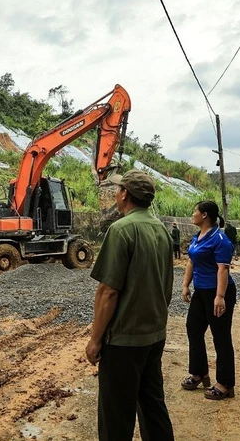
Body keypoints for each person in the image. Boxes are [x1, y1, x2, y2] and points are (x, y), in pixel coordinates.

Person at [87, 169, 174, 441]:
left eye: (117, 189)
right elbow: (166, 284)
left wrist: (95, 340)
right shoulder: (161, 229)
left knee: (116, 416)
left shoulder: (122, 229)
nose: (115, 194)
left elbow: (108, 292)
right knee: (152, 405)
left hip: (124, 341)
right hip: (154, 335)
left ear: (125, 194)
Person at [180, 200, 237, 401]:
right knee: (193, 329)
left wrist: (220, 297)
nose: (192, 214)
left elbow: (223, 269)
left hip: (218, 292)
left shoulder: (220, 239)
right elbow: (191, 261)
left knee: (220, 336)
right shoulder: (197, 237)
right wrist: (186, 285)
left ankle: (225, 383)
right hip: (201, 291)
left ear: (205, 215)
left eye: (195, 211)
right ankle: (199, 372)